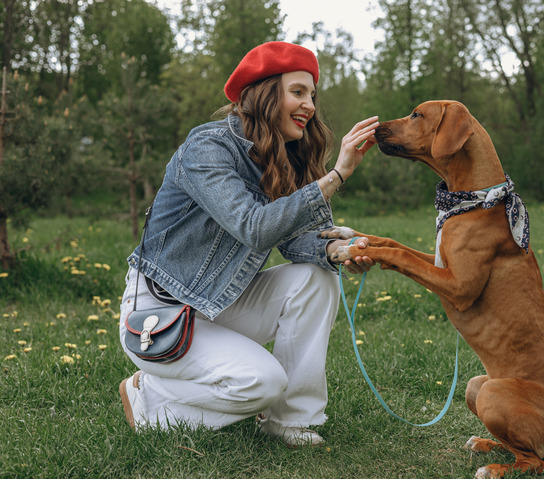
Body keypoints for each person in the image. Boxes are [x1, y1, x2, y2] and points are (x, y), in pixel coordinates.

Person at [118, 41, 378, 446]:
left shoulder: (283, 157)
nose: (309, 105)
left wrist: (336, 251)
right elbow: (253, 226)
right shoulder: (207, 148)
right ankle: (148, 398)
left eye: (312, 95)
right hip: (163, 315)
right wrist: (337, 175)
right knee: (263, 381)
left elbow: (295, 242)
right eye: (297, 92)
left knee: (316, 278)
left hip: (222, 301)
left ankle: (289, 420)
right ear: (264, 94)